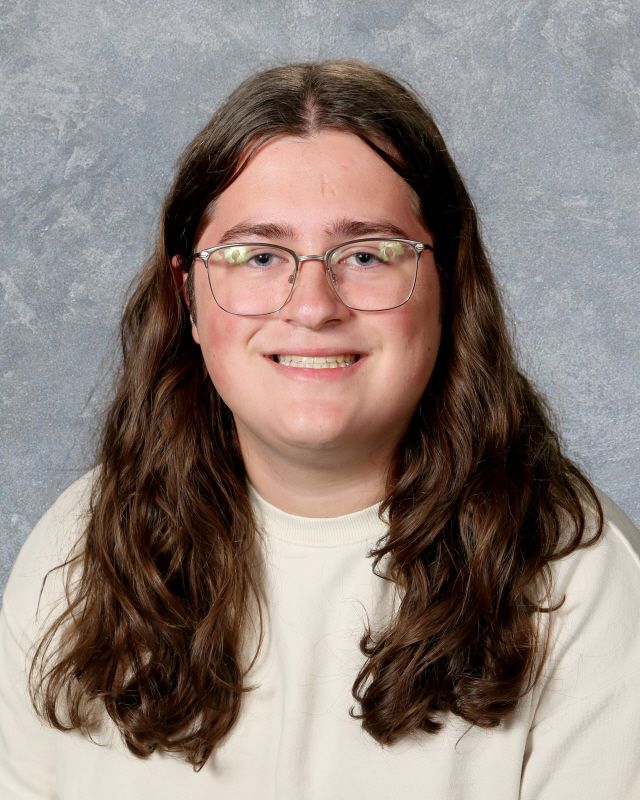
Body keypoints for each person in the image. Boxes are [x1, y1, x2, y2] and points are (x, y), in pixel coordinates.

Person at [1, 59, 639, 800]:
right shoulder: (77, 549)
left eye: (367, 254)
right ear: (189, 299)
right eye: (257, 255)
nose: (312, 304)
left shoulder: (581, 579)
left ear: (450, 287)